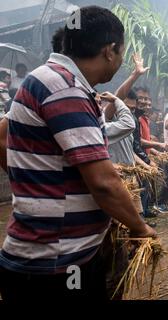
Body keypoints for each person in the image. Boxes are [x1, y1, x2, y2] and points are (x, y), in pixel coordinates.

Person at [0, 6, 155, 300]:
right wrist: (141, 227)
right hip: (55, 264)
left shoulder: (46, 79)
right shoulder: (66, 88)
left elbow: (1, 138)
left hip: (41, 258)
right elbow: (104, 183)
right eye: (121, 53)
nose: (120, 60)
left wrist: (35, 185)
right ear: (109, 51)